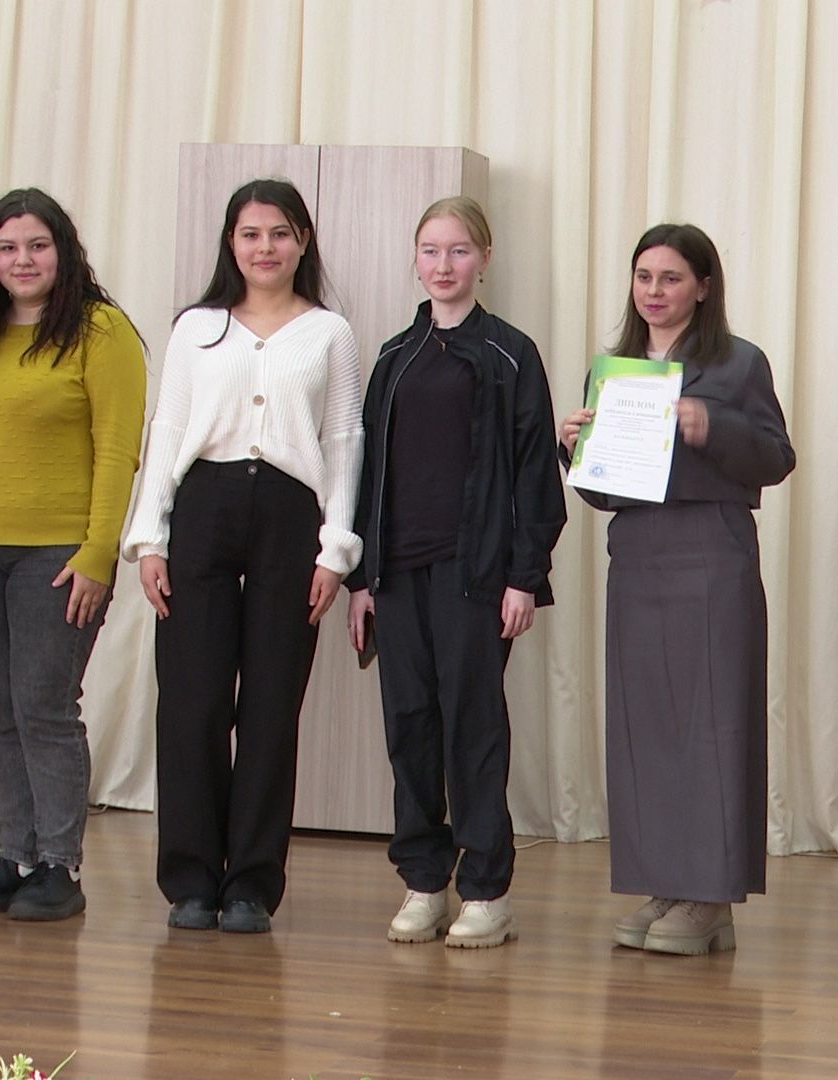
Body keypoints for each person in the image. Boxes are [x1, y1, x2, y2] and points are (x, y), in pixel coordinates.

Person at [122, 178, 363, 934]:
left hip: (292, 518)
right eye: (252, 233)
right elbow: (167, 429)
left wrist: (336, 552)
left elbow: (343, 444)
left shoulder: (330, 332)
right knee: (193, 703)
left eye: (281, 233)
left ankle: (252, 884)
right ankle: (191, 880)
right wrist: (149, 537)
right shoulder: (195, 328)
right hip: (204, 510)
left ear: (302, 243)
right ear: (232, 241)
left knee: (269, 708)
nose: (266, 247)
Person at [559, 223, 795, 955]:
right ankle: (668, 883)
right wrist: (575, 450)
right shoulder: (618, 369)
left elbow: (777, 458)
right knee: (646, 729)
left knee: (712, 725)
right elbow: (604, 495)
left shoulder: (737, 362)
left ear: (703, 286)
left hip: (710, 553)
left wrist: (709, 423)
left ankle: (711, 896)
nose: (655, 292)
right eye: (644, 278)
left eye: (670, 278)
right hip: (637, 558)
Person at [345, 196, 565, 948]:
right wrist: (362, 579)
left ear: (485, 259)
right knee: (410, 726)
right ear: (416, 259)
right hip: (397, 577)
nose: (444, 265)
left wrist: (522, 576)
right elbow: (366, 471)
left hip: (477, 576)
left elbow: (538, 474)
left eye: (460, 251)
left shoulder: (510, 354)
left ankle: (484, 890)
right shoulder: (391, 358)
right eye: (432, 251)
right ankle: (423, 881)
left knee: (473, 728)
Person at [0, 189, 146, 922]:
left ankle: (59, 862)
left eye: (38, 245)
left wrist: (98, 553)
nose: (23, 261)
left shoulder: (101, 329)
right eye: (7, 248)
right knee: (1, 713)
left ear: (65, 250)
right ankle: (15, 855)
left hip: (57, 553)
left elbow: (119, 451)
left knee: (45, 707)